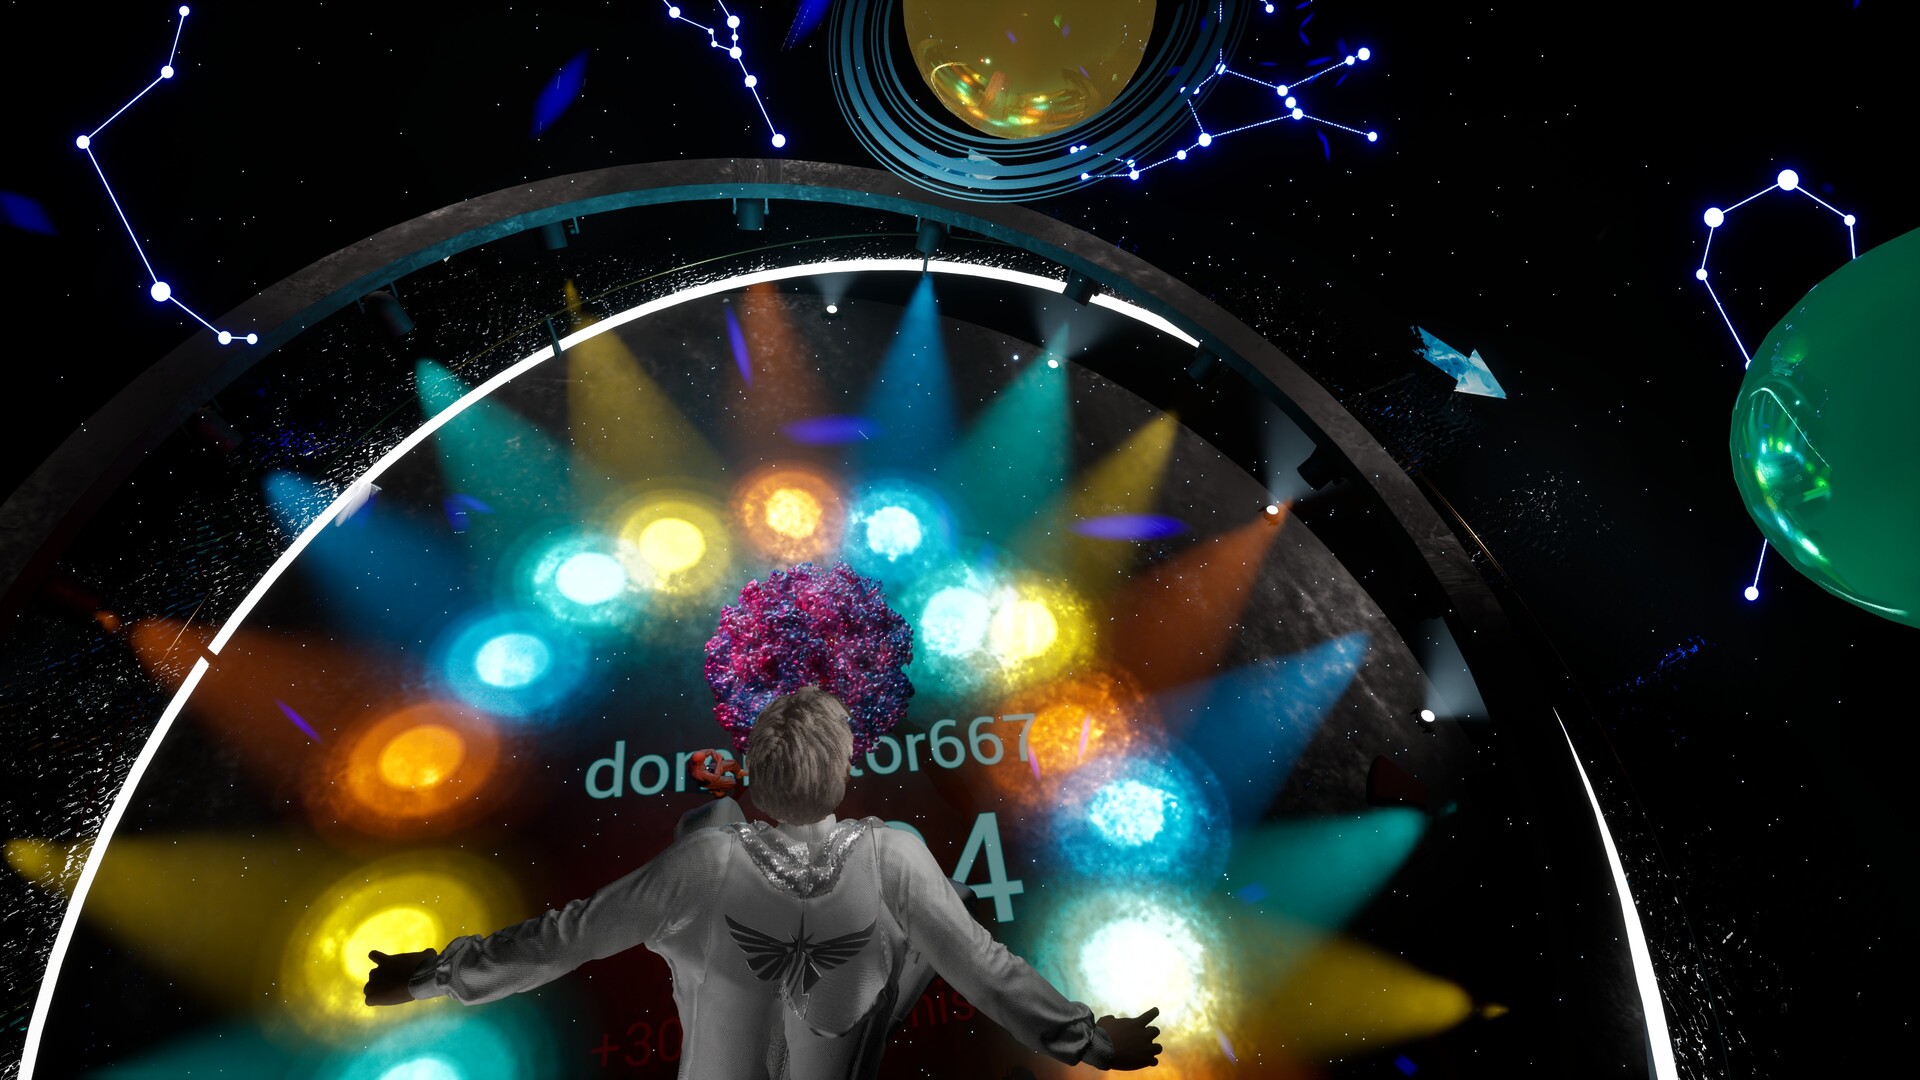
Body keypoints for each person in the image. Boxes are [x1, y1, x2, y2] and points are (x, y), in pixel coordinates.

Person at [364, 685, 1162, 1077]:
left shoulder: (705, 857)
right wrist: (1090, 1042)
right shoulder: (894, 855)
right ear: (843, 775)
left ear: (754, 775)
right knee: (930, 918)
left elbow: (562, 938)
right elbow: (985, 969)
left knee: (705, 839)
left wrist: (433, 974)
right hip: (845, 1021)